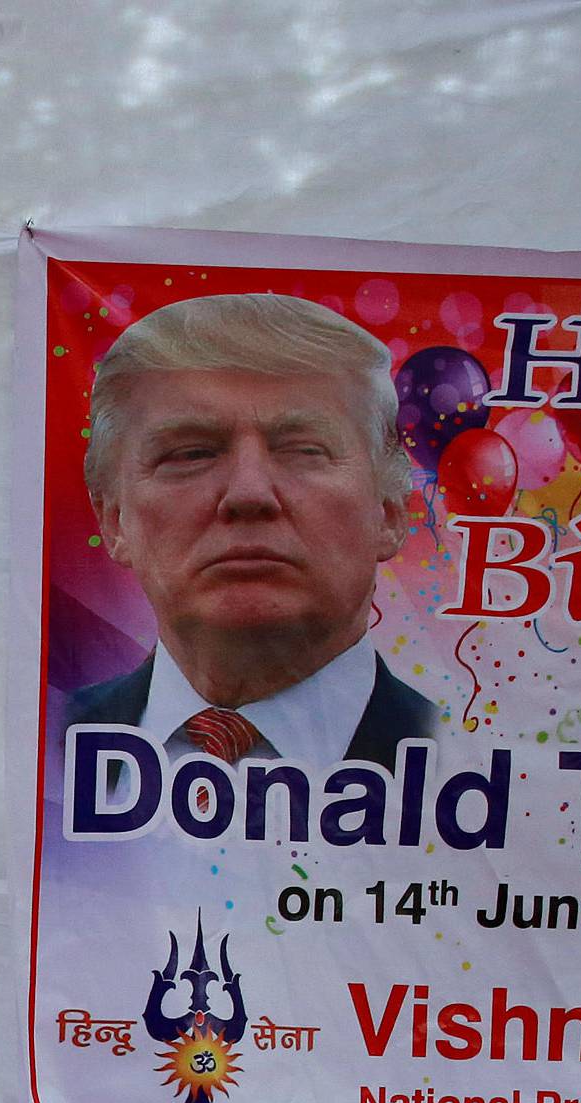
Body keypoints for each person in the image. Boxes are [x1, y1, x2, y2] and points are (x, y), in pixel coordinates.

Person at [68, 292, 443, 771]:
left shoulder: (479, 764)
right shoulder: (37, 748)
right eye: (191, 453)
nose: (249, 494)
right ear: (115, 521)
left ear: (389, 513)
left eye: (306, 450)